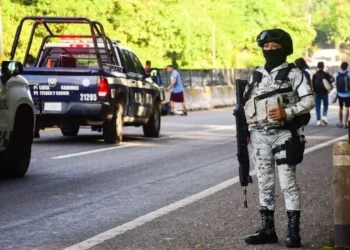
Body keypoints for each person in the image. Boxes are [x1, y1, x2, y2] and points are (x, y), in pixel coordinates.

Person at [243, 29, 315, 247]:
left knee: (288, 184)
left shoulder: (294, 73)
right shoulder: (256, 75)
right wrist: (246, 132)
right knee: (264, 183)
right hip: (259, 137)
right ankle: (268, 230)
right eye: (266, 47)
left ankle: (294, 232)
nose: (270, 50)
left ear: (284, 50)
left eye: (275, 47)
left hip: (284, 135)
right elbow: (246, 105)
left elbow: (309, 100)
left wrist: (288, 112)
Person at [311, 62, 333, 126]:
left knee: (317, 106)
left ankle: (318, 120)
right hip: (324, 92)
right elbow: (329, 83)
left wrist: (313, 91)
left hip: (317, 92)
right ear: (323, 67)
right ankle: (324, 116)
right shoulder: (326, 74)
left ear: (317, 67)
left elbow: (312, 83)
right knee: (325, 105)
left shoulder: (315, 75)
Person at [333, 62, 350, 128]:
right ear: (347, 67)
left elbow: (335, 83)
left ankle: (340, 123)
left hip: (340, 93)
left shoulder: (336, 74)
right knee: (347, 108)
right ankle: (345, 124)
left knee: (340, 107)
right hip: (348, 94)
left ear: (340, 67)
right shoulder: (349, 74)